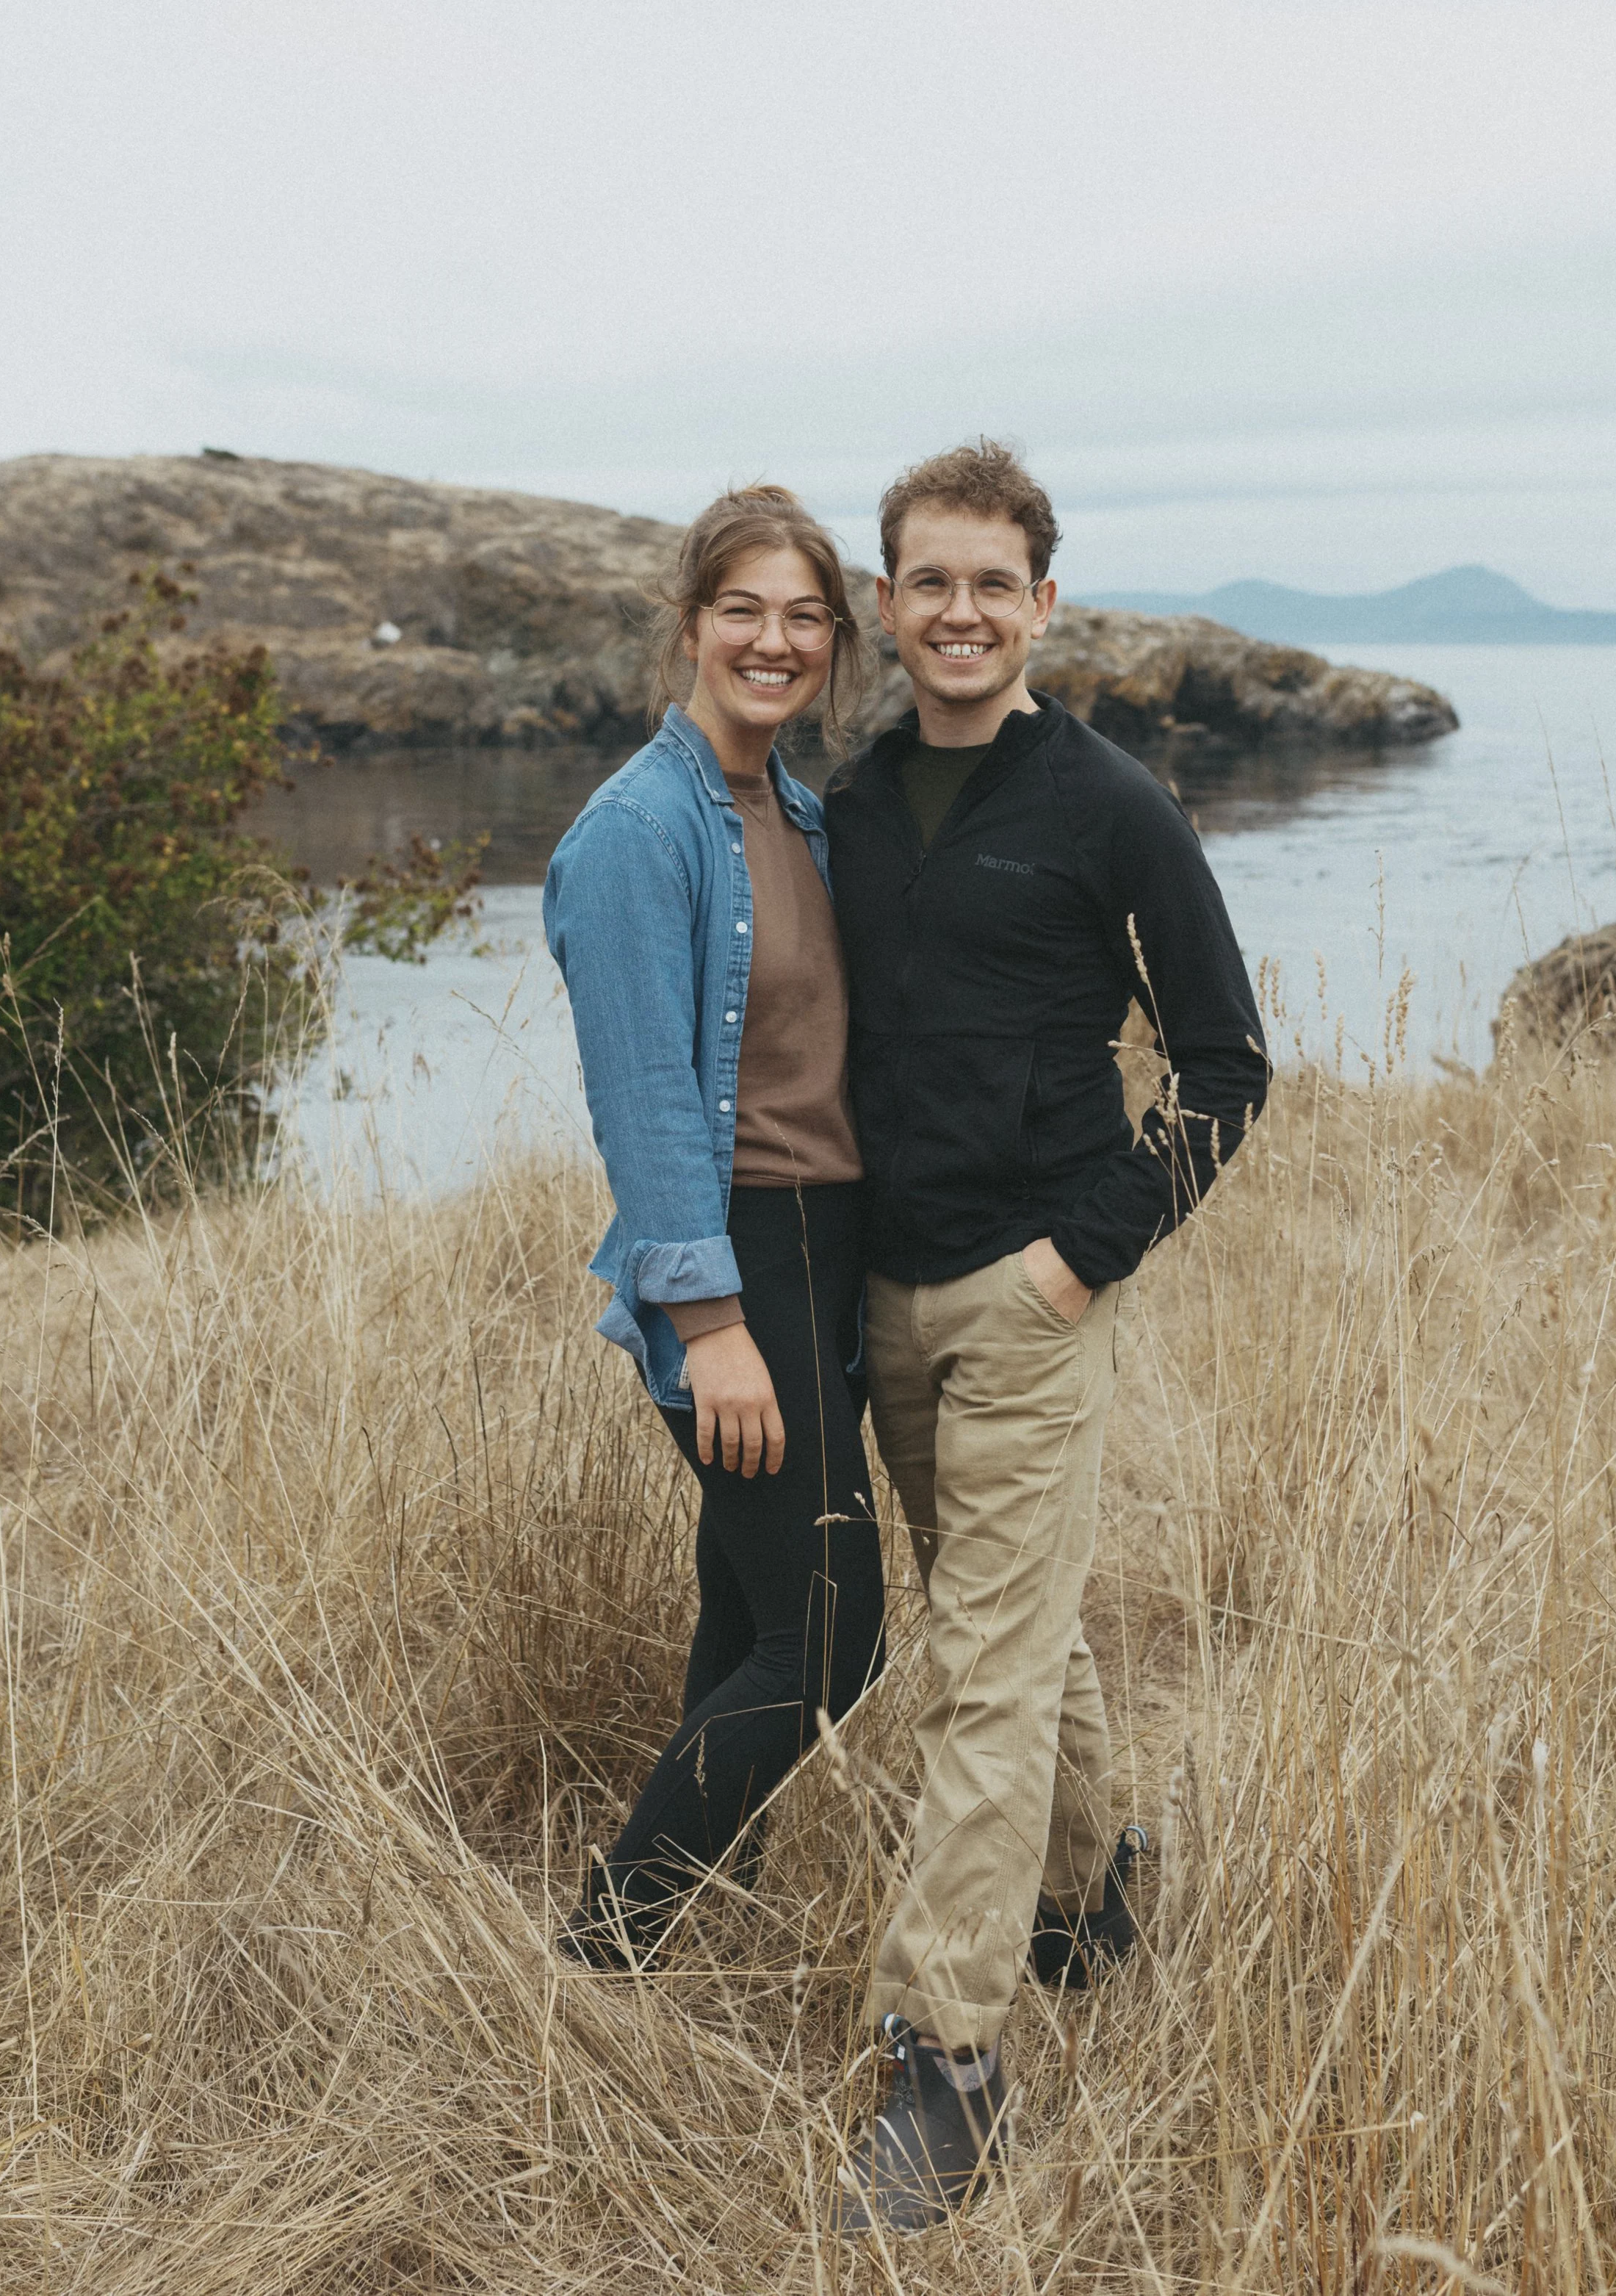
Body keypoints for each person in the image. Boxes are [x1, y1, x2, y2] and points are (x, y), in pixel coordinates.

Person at [824, 441, 1271, 2234]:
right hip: (883, 1295)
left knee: (981, 1671)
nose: (955, 611)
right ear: (886, 603)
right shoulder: (844, 805)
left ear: (1040, 605)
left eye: (988, 582)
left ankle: (950, 2058)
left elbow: (1228, 1068)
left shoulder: (1109, 804)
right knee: (1006, 1618)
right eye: (925, 581)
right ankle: (1091, 1888)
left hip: (1028, 1298)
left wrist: (1077, 1262)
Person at [543, 485, 884, 1962]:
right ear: (687, 626)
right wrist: (711, 1321)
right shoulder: (634, 832)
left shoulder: (794, 809)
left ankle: (673, 1918)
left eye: (803, 613)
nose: (773, 638)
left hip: (824, 1250)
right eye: (741, 608)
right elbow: (643, 1102)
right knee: (824, 1631)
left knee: (745, 1607)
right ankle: (607, 1942)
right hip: (738, 1262)